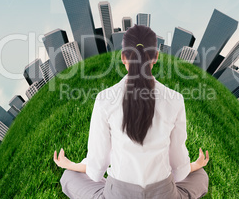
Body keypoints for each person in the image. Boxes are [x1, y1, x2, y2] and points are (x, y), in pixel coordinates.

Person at [53, 24, 209, 199]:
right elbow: (179, 169)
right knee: (200, 176)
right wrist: (195, 165)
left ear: (123, 57)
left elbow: (96, 168)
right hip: (164, 194)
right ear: (156, 57)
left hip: (118, 195)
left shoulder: (104, 99)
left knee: (69, 176)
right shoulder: (175, 99)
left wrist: (71, 165)